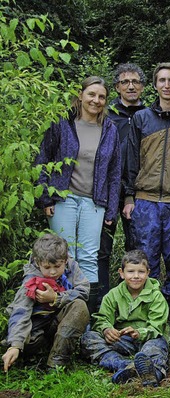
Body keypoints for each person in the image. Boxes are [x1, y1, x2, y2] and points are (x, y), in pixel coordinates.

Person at [35, 76, 121, 314]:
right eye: (91, 94)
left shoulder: (109, 129)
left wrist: (111, 208)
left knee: (89, 257)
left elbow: (115, 171)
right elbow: (43, 159)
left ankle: (87, 317)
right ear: (81, 95)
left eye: (101, 97)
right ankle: (61, 312)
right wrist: (45, 197)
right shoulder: (62, 123)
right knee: (64, 255)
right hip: (63, 199)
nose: (96, 100)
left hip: (94, 202)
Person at [123, 62, 170, 320]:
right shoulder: (141, 118)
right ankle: (145, 315)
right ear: (155, 85)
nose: (167, 85)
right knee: (145, 261)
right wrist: (128, 196)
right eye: (162, 80)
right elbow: (130, 160)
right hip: (145, 200)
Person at [81, 250, 169, 387]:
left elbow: (157, 326)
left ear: (148, 273)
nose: (136, 276)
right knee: (89, 338)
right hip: (123, 339)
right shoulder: (113, 295)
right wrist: (107, 330)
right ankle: (124, 365)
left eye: (141, 272)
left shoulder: (156, 296)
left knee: (156, 346)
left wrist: (140, 333)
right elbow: (102, 318)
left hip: (148, 338)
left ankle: (154, 374)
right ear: (121, 273)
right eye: (130, 271)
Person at [2, 234, 89, 372]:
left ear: (65, 260)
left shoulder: (72, 267)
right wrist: (16, 345)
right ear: (38, 262)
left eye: (57, 266)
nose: (53, 272)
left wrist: (56, 298)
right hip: (36, 326)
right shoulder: (31, 278)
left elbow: (84, 290)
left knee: (79, 306)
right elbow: (21, 310)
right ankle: (28, 354)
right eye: (47, 267)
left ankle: (56, 363)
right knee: (23, 342)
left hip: (59, 321)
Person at [97, 63, 147, 302]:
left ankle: (131, 299)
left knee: (135, 247)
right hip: (107, 189)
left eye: (135, 81)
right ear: (116, 87)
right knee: (101, 247)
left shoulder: (148, 116)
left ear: (143, 87)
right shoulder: (107, 116)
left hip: (138, 190)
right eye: (125, 82)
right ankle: (101, 301)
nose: (130, 86)